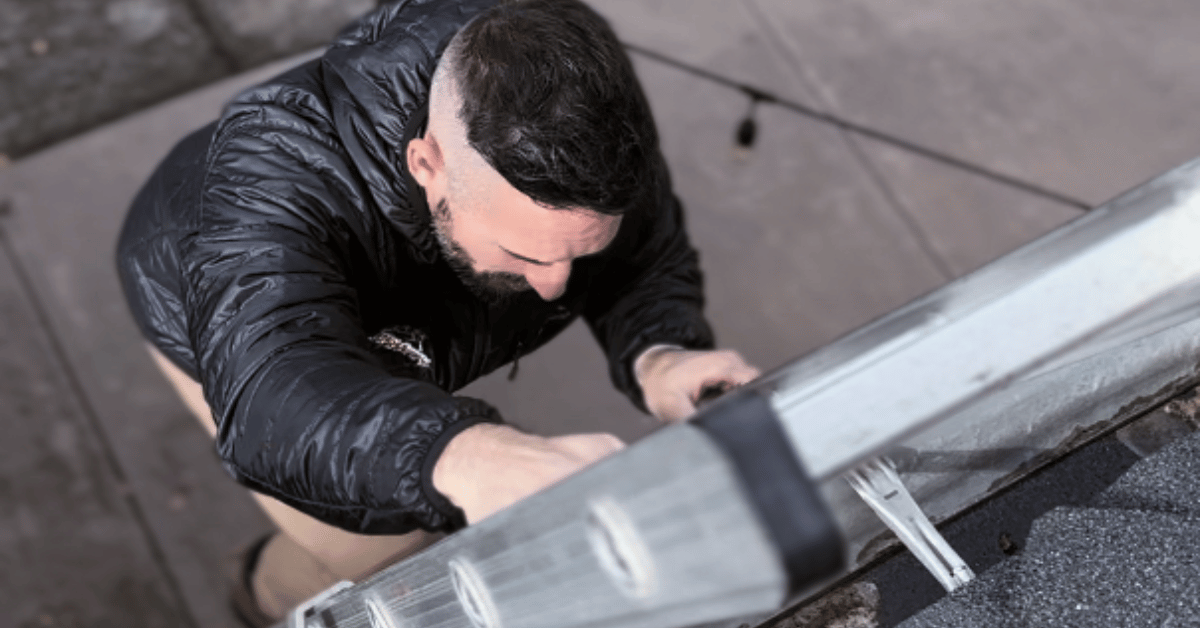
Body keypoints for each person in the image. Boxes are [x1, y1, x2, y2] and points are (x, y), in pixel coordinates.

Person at [115, 0, 761, 625]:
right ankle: (260, 594)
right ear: (426, 163)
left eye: (580, 253)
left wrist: (661, 349)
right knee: (394, 562)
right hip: (223, 320)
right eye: (521, 253)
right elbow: (272, 390)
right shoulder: (267, 176)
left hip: (402, 338)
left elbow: (643, 249)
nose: (554, 288)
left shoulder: (583, 96)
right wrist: (463, 456)